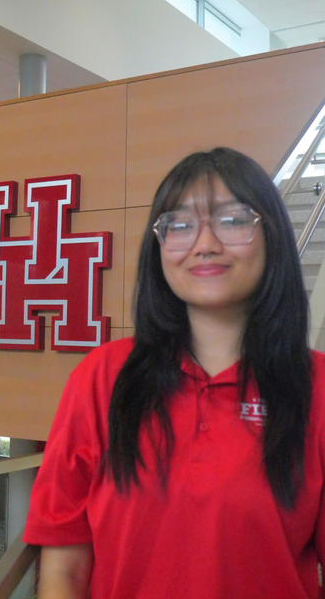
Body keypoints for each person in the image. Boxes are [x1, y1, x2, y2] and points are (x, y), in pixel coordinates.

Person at [23, 147, 325, 599]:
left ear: (273, 236)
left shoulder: (315, 388)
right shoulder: (103, 378)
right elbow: (64, 566)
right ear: (159, 247)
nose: (205, 244)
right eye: (180, 225)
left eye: (232, 220)